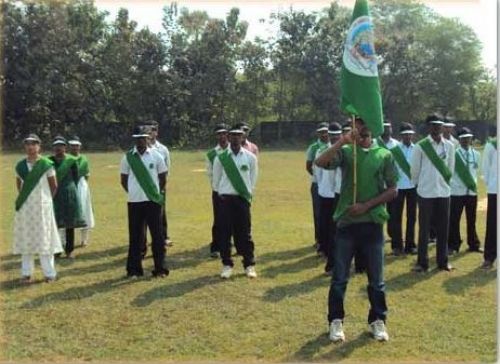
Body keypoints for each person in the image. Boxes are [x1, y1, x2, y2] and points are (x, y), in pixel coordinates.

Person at [316, 118, 398, 343]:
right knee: (340, 278)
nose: (361, 131)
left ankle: (377, 320)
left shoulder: (384, 154)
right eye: (357, 127)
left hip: (372, 223)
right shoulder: (346, 152)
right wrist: (341, 141)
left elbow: (393, 190)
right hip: (347, 224)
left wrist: (366, 205)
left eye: (364, 128)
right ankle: (335, 321)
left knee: (376, 280)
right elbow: (320, 162)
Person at [13, 134, 63, 283]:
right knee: (26, 238)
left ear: (39, 146)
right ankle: (26, 273)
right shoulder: (20, 166)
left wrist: (46, 201)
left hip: (43, 207)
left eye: (33, 144)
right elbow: (20, 186)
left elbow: (54, 186)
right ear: (25, 147)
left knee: (44, 239)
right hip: (26, 208)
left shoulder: (46, 164)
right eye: (27, 144)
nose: (30, 147)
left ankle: (49, 273)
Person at [120, 125, 169, 278]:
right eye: (137, 138)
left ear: (148, 138)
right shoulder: (127, 157)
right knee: (135, 237)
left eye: (143, 138)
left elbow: (163, 178)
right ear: (134, 140)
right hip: (134, 202)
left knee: (158, 236)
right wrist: (135, 192)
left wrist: (154, 193)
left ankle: (160, 268)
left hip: (153, 201)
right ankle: (134, 270)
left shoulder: (156, 156)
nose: (140, 141)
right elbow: (124, 180)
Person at [212, 125, 258, 279]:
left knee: (245, 233)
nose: (236, 138)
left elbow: (252, 180)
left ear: (243, 137)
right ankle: (227, 264)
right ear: (228, 137)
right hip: (225, 199)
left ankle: (249, 264)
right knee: (224, 233)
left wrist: (245, 194)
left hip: (242, 199)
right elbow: (216, 180)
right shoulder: (221, 157)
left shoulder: (250, 157)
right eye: (233, 135)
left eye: (239, 135)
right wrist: (224, 193)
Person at [411, 115, 455, 272]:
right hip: (426, 192)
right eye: (433, 125)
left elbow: (450, 168)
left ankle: (443, 262)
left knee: (444, 228)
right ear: (428, 127)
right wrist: (420, 185)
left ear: (443, 127)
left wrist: (444, 184)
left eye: (439, 125)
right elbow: (414, 171)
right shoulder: (420, 146)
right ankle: (422, 263)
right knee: (424, 229)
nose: (437, 128)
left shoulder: (449, 146)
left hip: (443, 192)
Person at [50, 136, 86, 259]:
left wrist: (70, 188)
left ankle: (69, 250)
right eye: (56, 146)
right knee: (55, 224)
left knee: (69, 224)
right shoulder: (49, 161)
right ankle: (56, 250)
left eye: (61, 145)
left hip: (70, 194)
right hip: (54, 194)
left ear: (65, 147)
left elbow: (76, 178)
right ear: (53, 148)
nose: (58, 148)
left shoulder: (71, 161)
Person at [448, 127, 482, 255]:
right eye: (463, 138)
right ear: (459, 140)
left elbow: (475, 172)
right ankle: (453, 245)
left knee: (472, 219)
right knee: (454, 219)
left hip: (472, 192)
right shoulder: (454, 154)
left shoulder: (476, 154)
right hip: (457, 191)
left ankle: (473, 244)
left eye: (468, 137)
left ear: (471, 138)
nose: (466, 140)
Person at [316, 122, 342, 274]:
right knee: (326, 227)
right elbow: (318, 173)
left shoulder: (344, 151)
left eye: (337, 136)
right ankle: (326, 254)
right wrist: (322, 188)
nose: (334, 138)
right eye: (332, 136)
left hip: (339, 195)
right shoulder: (322, 151)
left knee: (337, 229)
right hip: (326, 194)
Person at [390, 123, 417, 255]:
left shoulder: (417, 149)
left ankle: (410, 245)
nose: (407, 136)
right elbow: (391, 169)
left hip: (413, 186)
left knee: (412, 217)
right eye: (405, 134)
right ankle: (397, 245)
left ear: (412, 135)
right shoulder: (395, 150)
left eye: (409, 134)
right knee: (396, 217)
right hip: (399, 186)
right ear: (401, 135)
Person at [206, 123, 230, 258]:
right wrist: (217, 189)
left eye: (224, 133)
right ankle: (216, 246)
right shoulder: (212, 154)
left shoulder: (234, 151)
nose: (222, 136)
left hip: (233, 190)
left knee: (233, 219)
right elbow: (210, 174)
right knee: (219, 219)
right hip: (218, 191)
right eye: (219, 133)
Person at [306, 122, 330, 249]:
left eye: (326, 131)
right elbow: (309, 166)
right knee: (318, 213)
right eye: (321, 132)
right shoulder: (314, 147)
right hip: (317, 184)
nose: (324, 134)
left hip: (331, 185)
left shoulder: (335, 145)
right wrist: (318, 178)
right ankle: (319, 239)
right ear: (318, 133)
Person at [68, 136, 95, 247]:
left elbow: (86, 174)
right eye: (73, 145)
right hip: (69, 185)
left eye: (77, 145)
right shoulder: (66, 159)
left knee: (84, 211)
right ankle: (66, 240)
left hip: (81, 185)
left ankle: (84, 239)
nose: (75, 148)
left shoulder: (84, 159)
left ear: (80, 146)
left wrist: (81, 185)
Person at [480, 126, 497, 269]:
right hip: (495, 191)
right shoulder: (492, 145)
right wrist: (492, 185)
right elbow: (485, 170)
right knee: (492, 225)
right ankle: (489, 257)